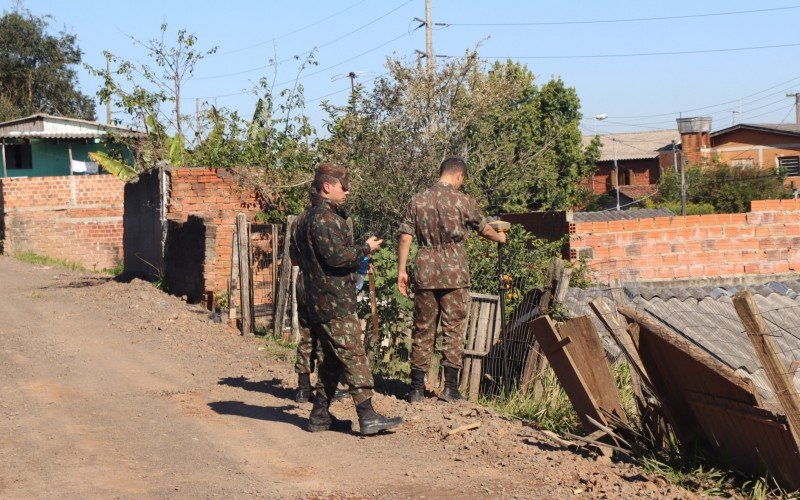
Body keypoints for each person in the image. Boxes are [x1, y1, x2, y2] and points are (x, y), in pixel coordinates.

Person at [293, 163, 403, 435]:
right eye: (344, 186)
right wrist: (365, 249)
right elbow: (336, 257)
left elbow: (311, 257)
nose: (348, 191)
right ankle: (368, 416)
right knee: (354, 355)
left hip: (318, 299)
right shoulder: (323, 218)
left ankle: (320, 415)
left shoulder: (304, 218)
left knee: (331, 358)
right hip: (334, 301)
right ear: (327, 187)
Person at [397, 156, 506, 403]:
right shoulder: (463, 200)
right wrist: (499, 238)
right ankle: (451, 388)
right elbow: (483, 227)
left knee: (423, 328)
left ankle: (415, 389)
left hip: (424, 270)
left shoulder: (418, 199)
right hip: (455, 271)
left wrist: (401, 270)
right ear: (459, 176)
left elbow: (405, 237)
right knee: (453, 328)